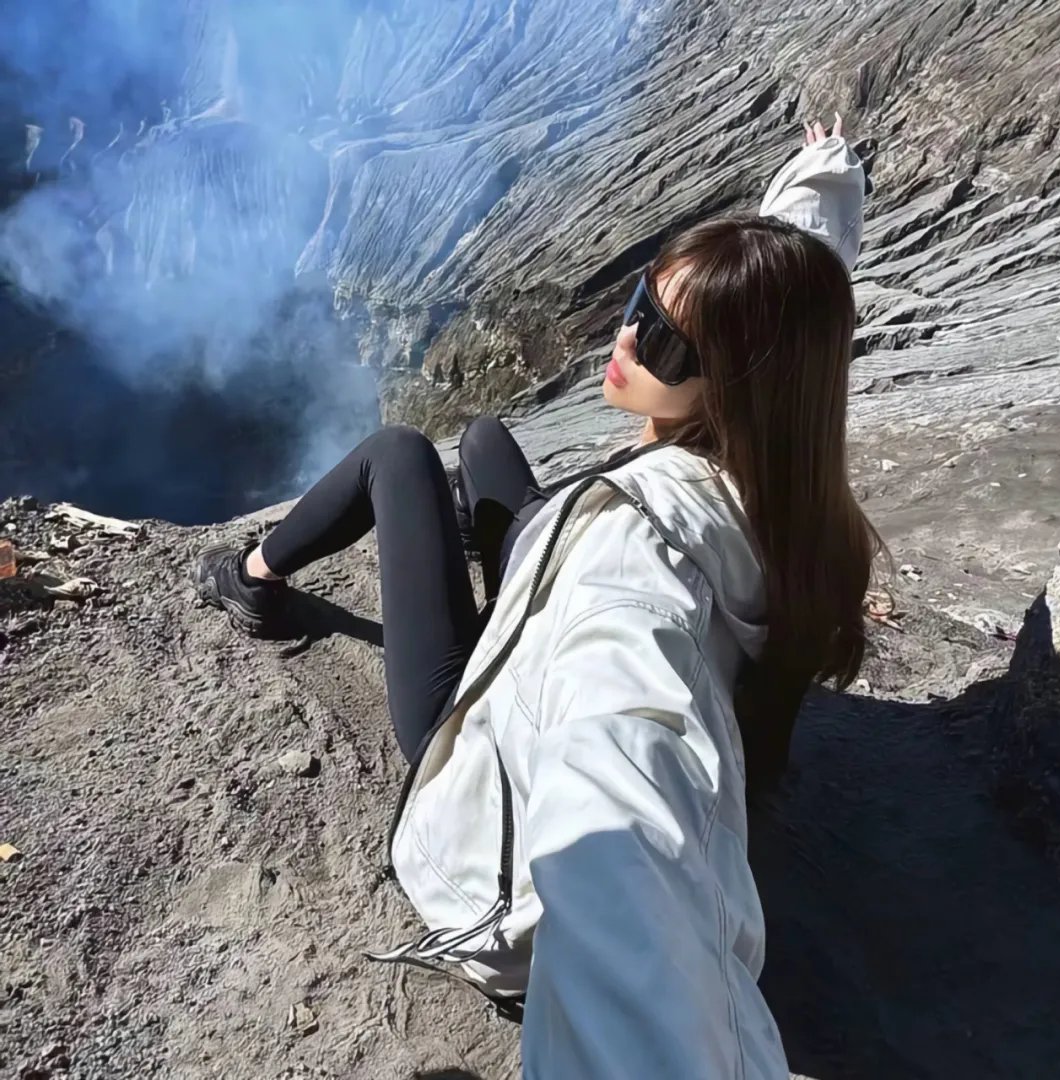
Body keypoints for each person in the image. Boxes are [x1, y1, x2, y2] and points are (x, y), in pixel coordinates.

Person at [193, 115, 879, 1078]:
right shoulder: (786, 476)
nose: (629, 334)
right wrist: (820, 183)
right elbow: (798, 300)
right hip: (562, 659)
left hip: (485, 800)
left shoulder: (632, 566)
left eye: (669, 345)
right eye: (643, 297)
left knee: (398, 453)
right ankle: (470, 543)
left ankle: (251, 579)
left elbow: (622, 775)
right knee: (480, 441)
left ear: (739, 384)